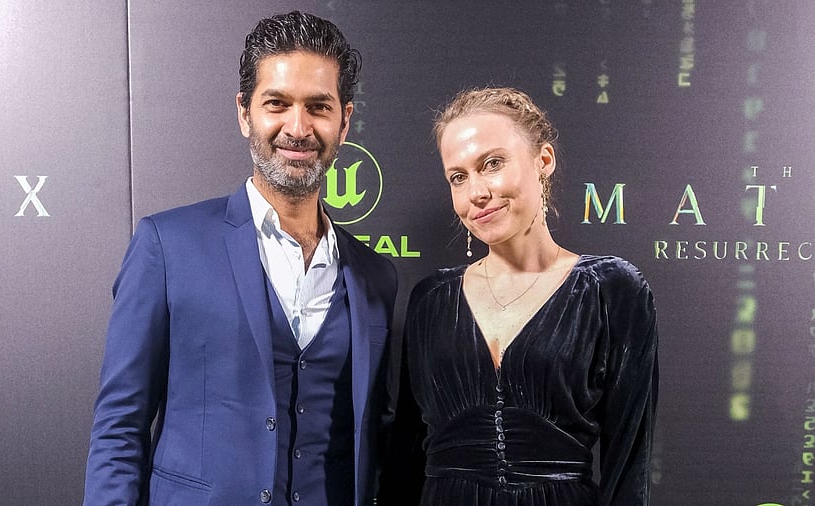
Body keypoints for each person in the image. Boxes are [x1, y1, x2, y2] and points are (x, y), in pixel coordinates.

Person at [83, 11, 397, 506]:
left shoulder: (375, 275)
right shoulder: (166, 245)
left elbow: (377, 435)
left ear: (345, 120)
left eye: (319, 106)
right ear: (244, 112)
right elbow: (120, 428)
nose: (298, 127)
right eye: (278, 104)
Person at [379, 87, 658, 505]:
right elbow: (404, 458)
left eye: (492, 164)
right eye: (458, 176)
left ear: (543, 161)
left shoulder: (610, 290)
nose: (476, 192)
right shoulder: (432, 299)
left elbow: (629, 466)